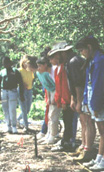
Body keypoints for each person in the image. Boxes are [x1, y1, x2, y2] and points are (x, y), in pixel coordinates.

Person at [75, 36, 104, 170]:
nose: (82, 53)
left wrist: (96, 105)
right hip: (93, 100)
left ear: (89, 47)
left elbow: (99, 85)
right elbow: (88, 82)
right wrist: (86, 101)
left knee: (103, 132)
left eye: (82, 50)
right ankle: (99, 158)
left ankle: (102, 161)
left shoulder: (99, 61)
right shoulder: (91, 61)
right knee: (101, 132)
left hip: (99, 101)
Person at [47, 42, 75, 151]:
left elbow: (67, 85)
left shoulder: (67, 65)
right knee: (67, 121)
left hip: (68, 100)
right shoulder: (60, 67)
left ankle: (68, 142)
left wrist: (65, 100)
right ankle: (66, 141)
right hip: (64, 100)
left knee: (70, 122)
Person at [36, 57, 61, 144]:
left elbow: (57, 86)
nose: (38, 68)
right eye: (37, 66)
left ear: (45, 65)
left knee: (53, 115)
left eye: (40, 66)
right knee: (49, 115)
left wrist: (55, 98)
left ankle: (53, 135)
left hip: (57, 92)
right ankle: (49, 134)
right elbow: (47, 87)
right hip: (50, 92)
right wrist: (49, 98)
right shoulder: (41, 74)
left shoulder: (51, 72)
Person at [0, 57, 24, 134]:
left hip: (13, 91)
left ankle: (14, 126)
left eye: (6, 63)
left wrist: (21, 94)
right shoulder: (2, 72)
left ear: (9, 63)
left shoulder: (15, 71)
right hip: (4, 92)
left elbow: (21, 83)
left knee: (12, 109)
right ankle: (8, 125)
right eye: (3, 63)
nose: (4, 64)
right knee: (5, 110)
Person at [17, 55, 35, 132]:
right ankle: (26, 126)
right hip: (21, 91)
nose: (26, 64)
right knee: (23, 109)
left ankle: (17, 119)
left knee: (27, 109)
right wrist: (22, 84)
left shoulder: (30, 71)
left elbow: (33, 79)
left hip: (29, 90)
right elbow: (16, 81)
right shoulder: (19, 71)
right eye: (24, 63)